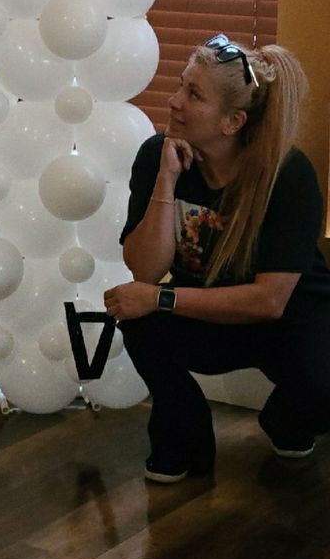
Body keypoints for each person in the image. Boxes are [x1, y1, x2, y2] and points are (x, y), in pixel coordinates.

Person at [104, 34, 330, 483]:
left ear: (232, 122)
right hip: (209, 310)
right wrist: (166, 182)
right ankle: (182, 434)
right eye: (180, 86)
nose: (173, 102)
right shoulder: (158, 157)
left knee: (321, 393)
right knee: (135, 311)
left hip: (292, 317)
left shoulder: (288, 175)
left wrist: (162, 299)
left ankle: (286, 420)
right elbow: (145, 271)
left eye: (193, 95)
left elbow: (269, 302)